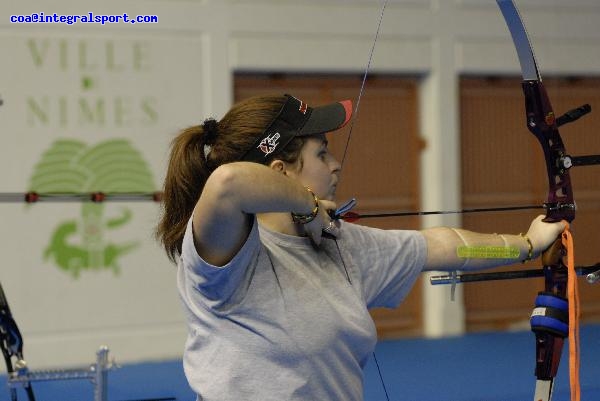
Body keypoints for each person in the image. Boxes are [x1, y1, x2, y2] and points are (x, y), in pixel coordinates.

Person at [156, 93, 566, 401]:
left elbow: (445, 246)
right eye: (321, 153)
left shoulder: (342, 244)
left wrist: (525, 244)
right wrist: (307, 203)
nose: (335, 164)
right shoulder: (226, 253)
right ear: (281, 170)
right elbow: (229, 183)